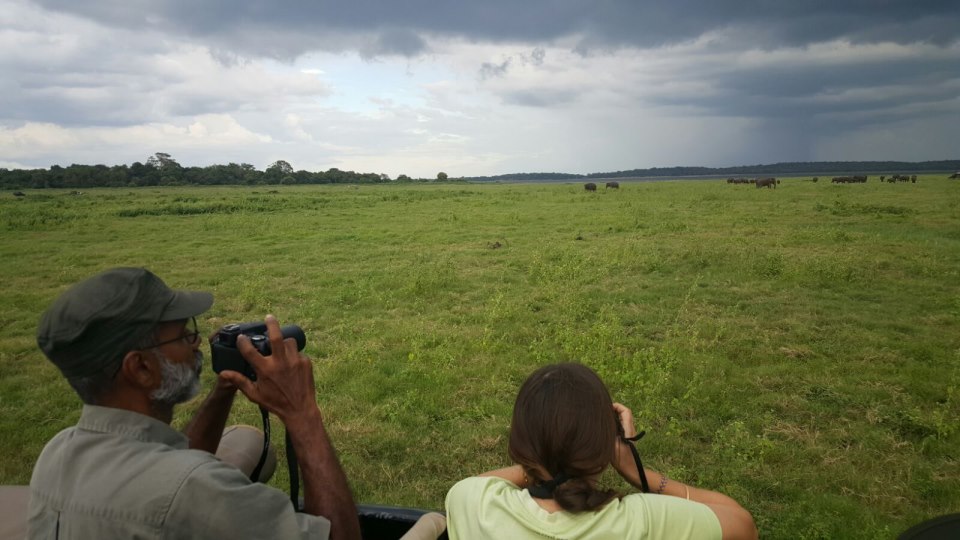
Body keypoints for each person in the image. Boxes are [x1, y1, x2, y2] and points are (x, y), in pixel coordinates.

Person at [28, 267, 361, 540]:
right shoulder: (194, 490)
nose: (196, 342)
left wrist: (225, 386)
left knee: (247, 440)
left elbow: (176, 460)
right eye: (183, 334)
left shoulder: (56, 453)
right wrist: (302, 414)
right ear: (141, 368)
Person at [445, 363, 758, 539]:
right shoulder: (646, 521)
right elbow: (743, 524)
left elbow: (484, 482)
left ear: (519, 443)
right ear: (606, 444)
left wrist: (540, 461)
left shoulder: (471, 501)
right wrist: (634, 469)